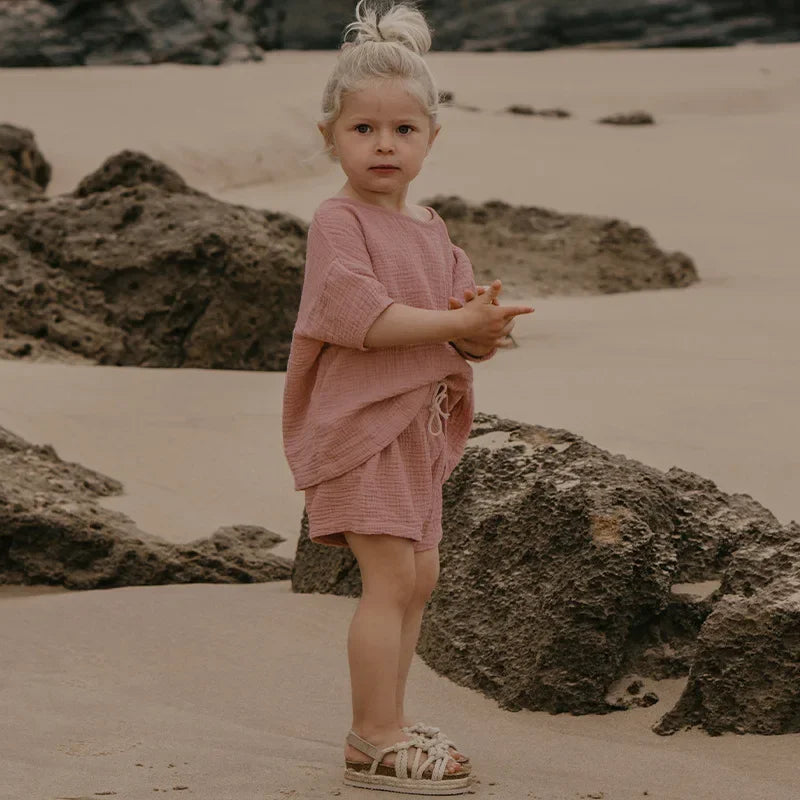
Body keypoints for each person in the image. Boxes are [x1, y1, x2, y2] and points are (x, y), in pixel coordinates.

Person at [281, 0, 534, 793]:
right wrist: (451, 322)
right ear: (330, 137)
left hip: (415, 429)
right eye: (362, 130)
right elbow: (360, 315)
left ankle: (388, 721)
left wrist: (481, 329)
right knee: (388, 580)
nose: (382, 144)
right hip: (359, 427)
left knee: (418, 579)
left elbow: (453, 333)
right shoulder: (337, 221)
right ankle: (374, 735)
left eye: (402, 130)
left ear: (430, 138)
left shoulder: (432, 227)